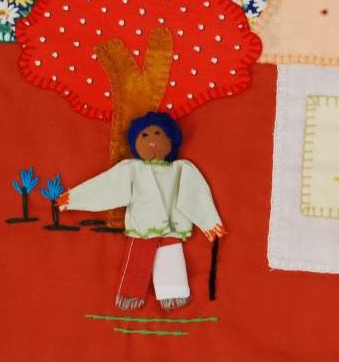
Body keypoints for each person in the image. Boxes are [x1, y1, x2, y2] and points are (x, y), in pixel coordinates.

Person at [58, 111, 225, 309]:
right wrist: (72, 198)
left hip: (172, 227)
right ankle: (131, 295)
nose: (151, 140)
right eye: (144, 135)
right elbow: (106, 187)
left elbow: (196, 195)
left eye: (157, 133)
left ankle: (173, 295)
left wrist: (210, 223)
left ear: (171, 139)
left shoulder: (182, 169)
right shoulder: (131, 169)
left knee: (171, 257)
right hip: (143, 225)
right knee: (139, 257)